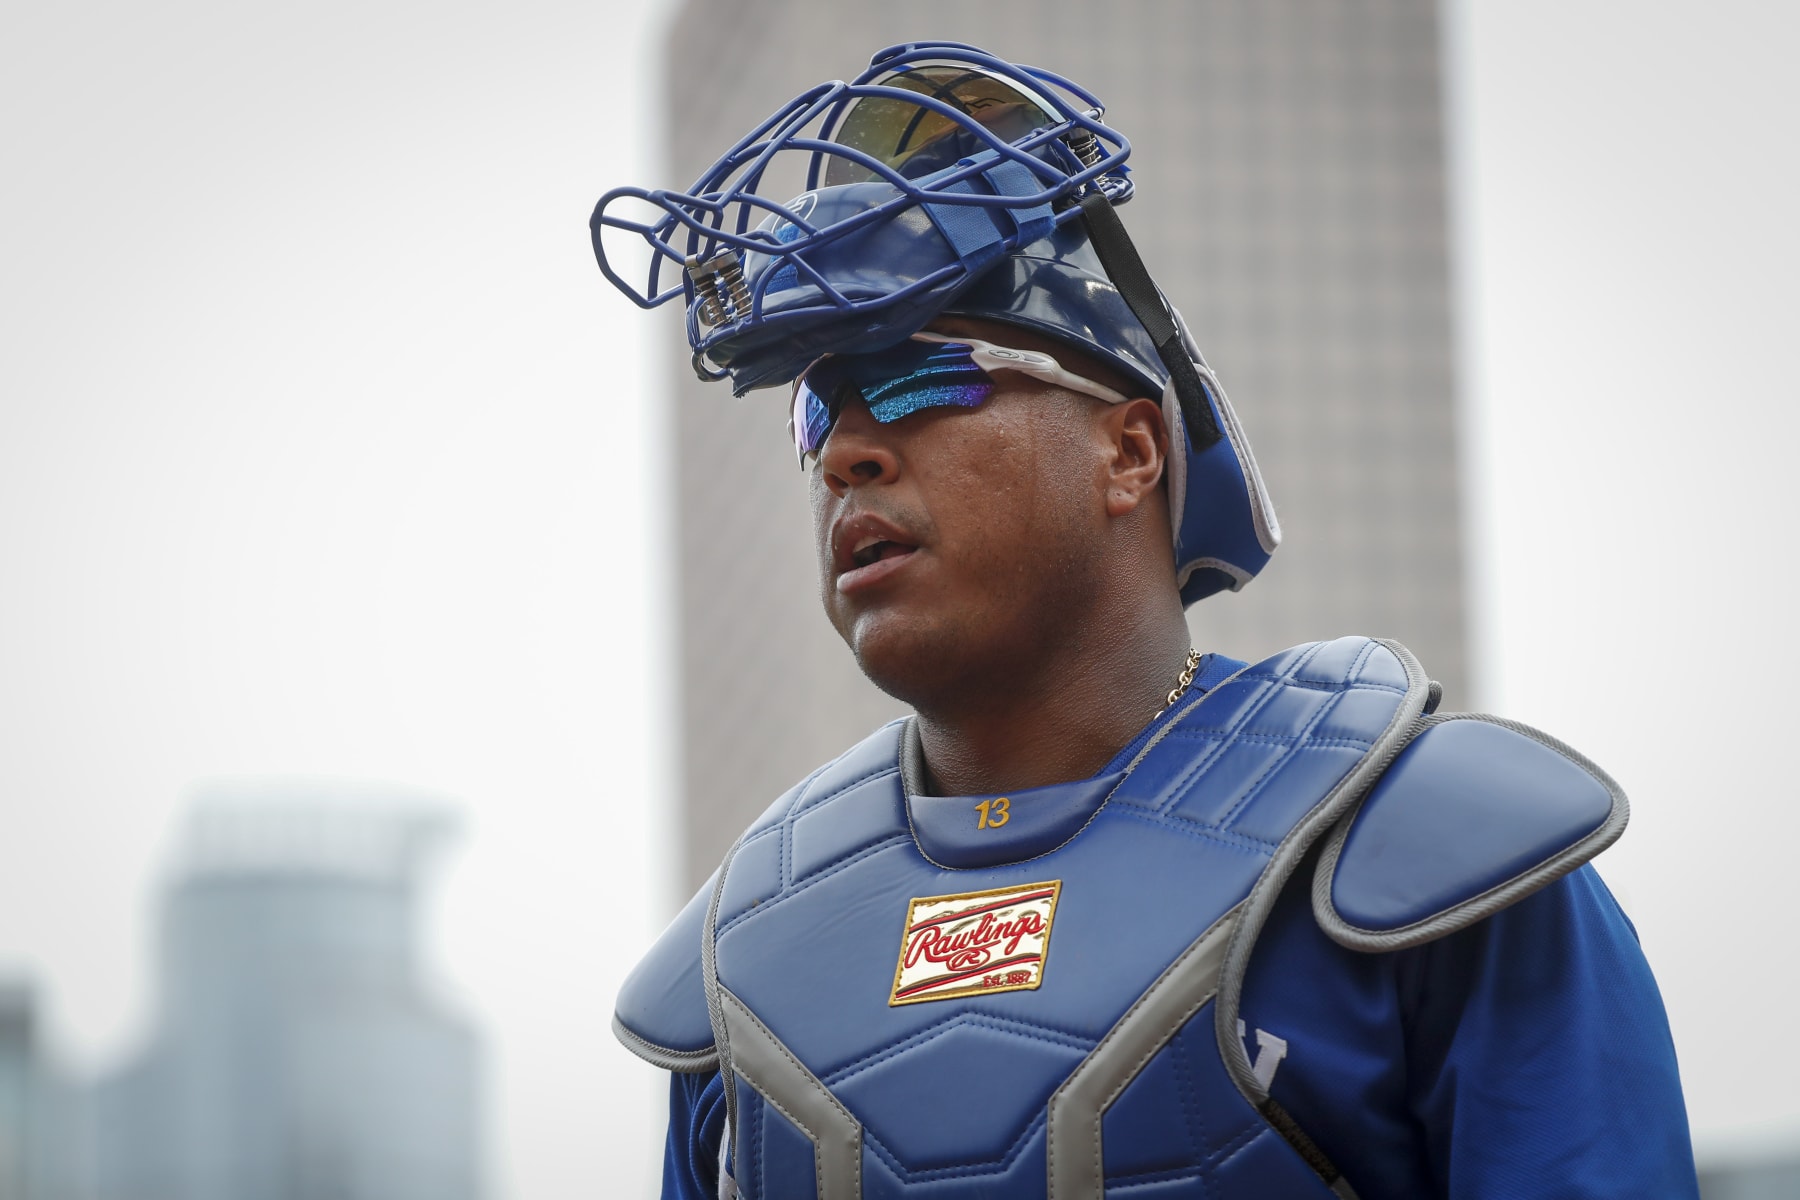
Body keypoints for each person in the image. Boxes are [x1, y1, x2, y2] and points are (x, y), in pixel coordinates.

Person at [590, 41, 1697, 1200]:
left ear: (1129, 451)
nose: (849, 458)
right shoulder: (742, 963)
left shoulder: (1425, 859)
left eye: (927, 382)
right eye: (818, 418)